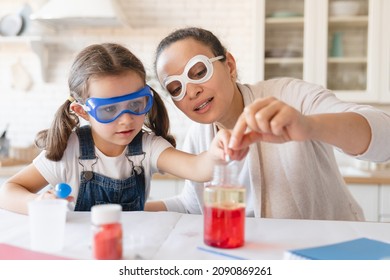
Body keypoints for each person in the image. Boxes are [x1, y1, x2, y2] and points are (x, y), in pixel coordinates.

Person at [146, 27, 390, 221]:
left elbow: (384, 138)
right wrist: (126, 210)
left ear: (229, 66)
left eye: (199, 72)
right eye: (176, 88)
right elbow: (192, 206)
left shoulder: (290, 96)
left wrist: (309, 126)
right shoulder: (198, 137)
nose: (191, 91)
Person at [0, 43, 246, 215]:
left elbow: (197, 168)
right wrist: (38, 202)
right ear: (83, 111)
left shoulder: (147, 146)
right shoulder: (69, 150)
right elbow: (8, 191)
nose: (127, 120)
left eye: (136, 104)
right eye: (109, 110)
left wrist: (216, 152)